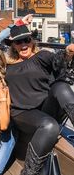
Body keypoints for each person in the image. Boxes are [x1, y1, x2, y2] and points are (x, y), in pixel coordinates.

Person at [5, 25, 74, 175]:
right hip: (22, 112)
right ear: (13, 46)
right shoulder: (6, 67)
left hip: (45, 107)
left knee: (61, 87)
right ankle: (28, 172)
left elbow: (59, 59)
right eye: (18, 42)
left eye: (26, 40)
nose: (23, 44)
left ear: (32, 41)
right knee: (49, 126)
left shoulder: (41, 56)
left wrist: (68, 53)